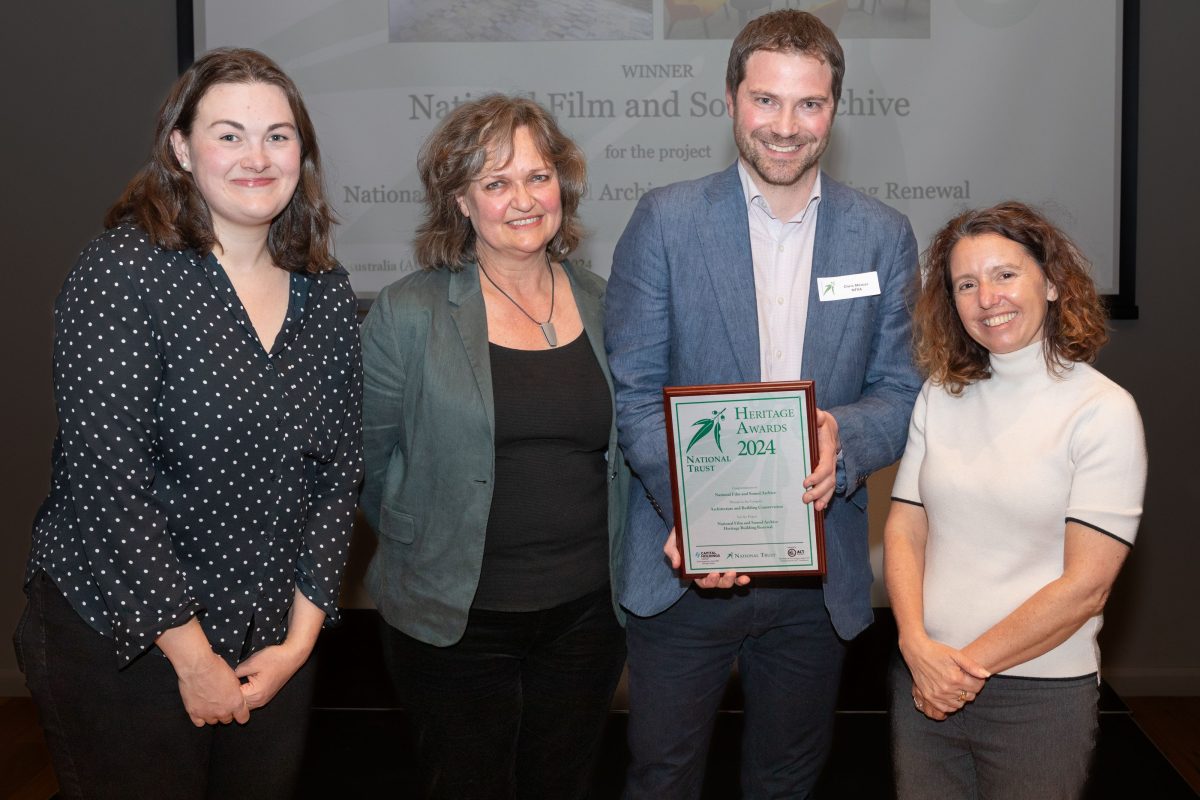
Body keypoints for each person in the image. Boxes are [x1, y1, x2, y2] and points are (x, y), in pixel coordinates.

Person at [14, 48, 362, 799]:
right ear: (180, 146)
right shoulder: (122, 271)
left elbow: (338, 476)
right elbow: (107, 484)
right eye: (229, 134)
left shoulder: (326, 288)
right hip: (127, 640)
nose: (257, 157)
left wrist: (298, 644)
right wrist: (194, 659)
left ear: (302, 151)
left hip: (271, 642)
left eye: (278, 135)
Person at [604, 10, 921, 797]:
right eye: (766, 101)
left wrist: (837, 438)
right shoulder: (665, 221)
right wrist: (700, 521)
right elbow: (637, 395)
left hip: (818, 578)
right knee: (664, 777)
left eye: (808, 104)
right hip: (685, 567)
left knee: (787, 780)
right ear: (730, 100)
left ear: (834, 110)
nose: (785, 126)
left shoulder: (883, 236)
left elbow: (902, 390)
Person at [360, 94, 629, 800]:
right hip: (455, 619)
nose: (523, 199)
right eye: (496, 182)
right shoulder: (407, 313)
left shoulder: (606, 303)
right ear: (460, 201)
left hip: (587, 613)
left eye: (538, 177)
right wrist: (428, 543)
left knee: (562, 785)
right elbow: (368, 464)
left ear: (563, 189)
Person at [884, 201, 1146, 799]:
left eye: (1006, 274)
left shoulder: (1102, 411)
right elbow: (903, 530)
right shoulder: (939, 394)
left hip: (1038, 693)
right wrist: (916, 647)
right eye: (966, 284)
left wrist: (961, 668)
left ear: (1051, 282)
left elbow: (1087, 586)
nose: (987, 298)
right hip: (925, 681)